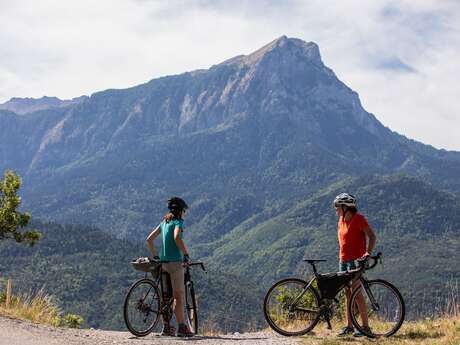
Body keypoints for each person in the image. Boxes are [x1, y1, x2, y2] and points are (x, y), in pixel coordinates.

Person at [146, 197, 193, 337]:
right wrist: (186, 254)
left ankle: (166, 328)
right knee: (178, 296)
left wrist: (156, 256)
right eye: (184, 211)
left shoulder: (164, 223)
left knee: (166, 297)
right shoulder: (178, 222)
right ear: (180, 211)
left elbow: (149, 240)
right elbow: (177, 237)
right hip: (175, 263)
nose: (185, 213)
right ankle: (182, 328)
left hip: (163, 263)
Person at [334, 193, 376, 337]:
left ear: (346, 207)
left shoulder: (359, 219)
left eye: (337, 206)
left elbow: (372, 236)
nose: (336, 209)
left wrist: (367, 253)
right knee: (348, 294)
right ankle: (349, 326)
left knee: (357, 293)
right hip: (343, 261)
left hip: (356, 261)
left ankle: (365, 327)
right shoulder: (340, 220)